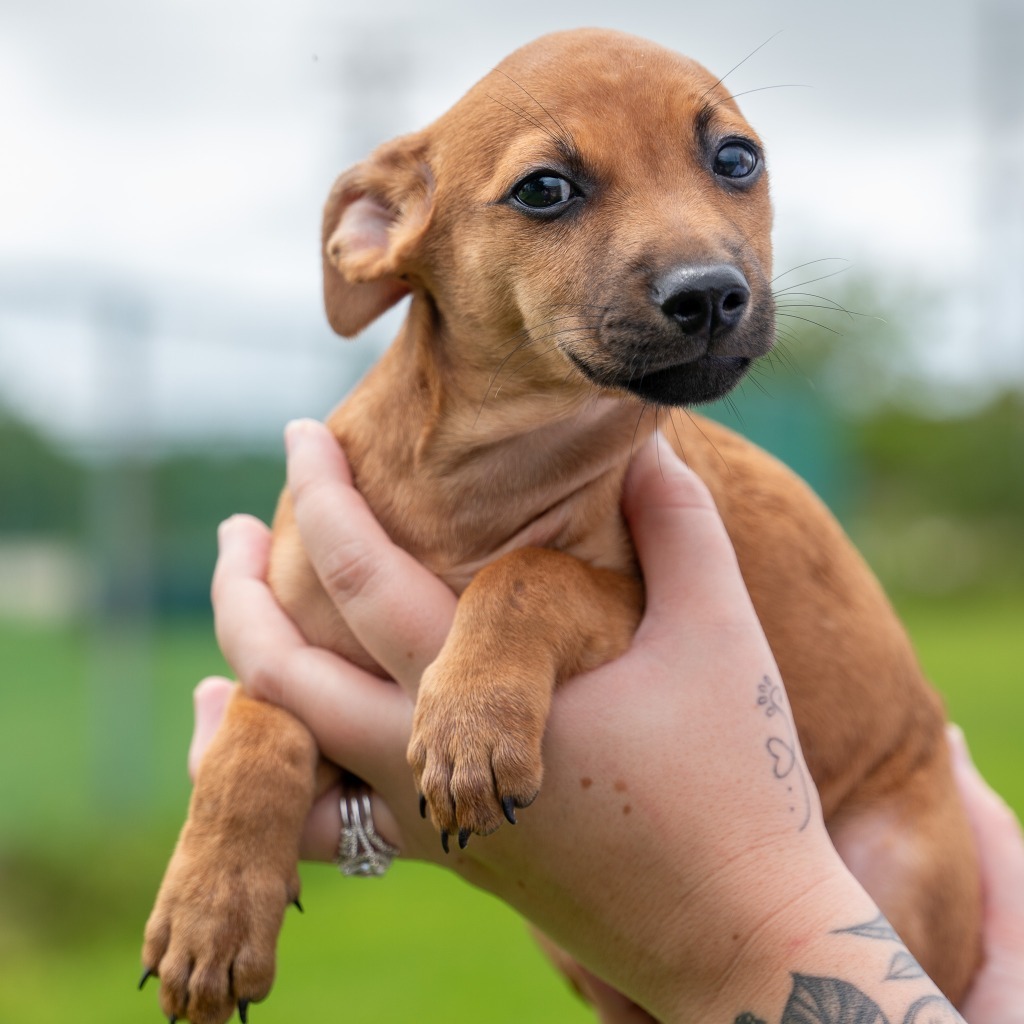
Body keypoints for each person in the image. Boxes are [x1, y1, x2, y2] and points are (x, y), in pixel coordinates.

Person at [190, 419, 1024, 1023]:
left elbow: (606, 613)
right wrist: (251, 784)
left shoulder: (620, 440)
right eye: (546, 194)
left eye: (733, 164)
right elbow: (305, 686)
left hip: (867, 834)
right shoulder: (381, 477)